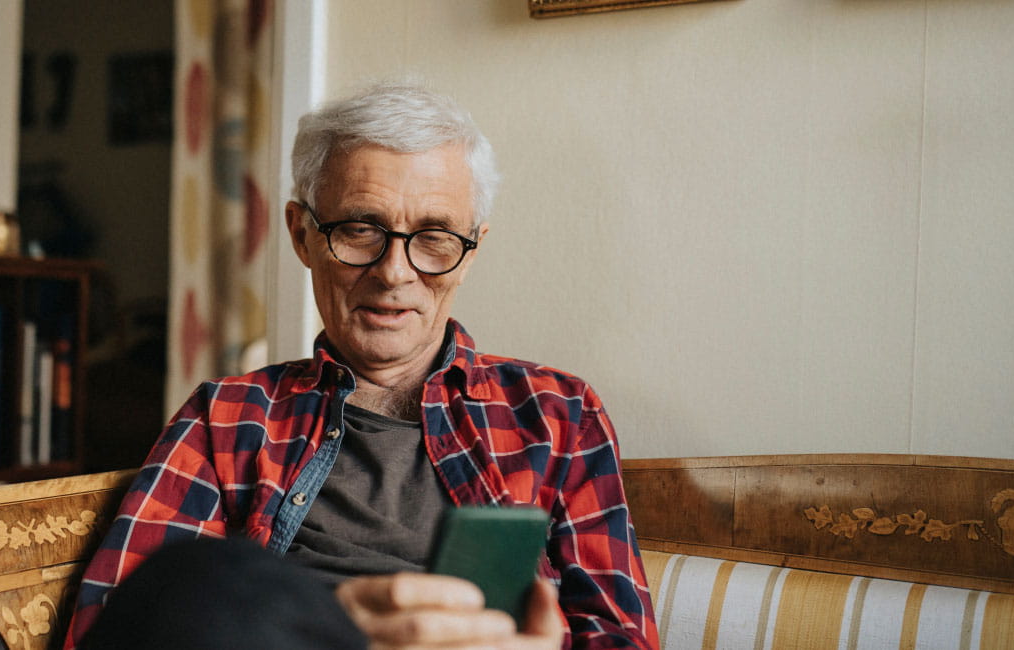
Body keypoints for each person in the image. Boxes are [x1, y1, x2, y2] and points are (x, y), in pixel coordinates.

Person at [64, 80, 659, 649]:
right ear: (302, 235)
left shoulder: (559, 414)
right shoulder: (226, 416)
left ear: (471, 250)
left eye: (433, 237)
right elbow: (119, 626)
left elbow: (621, 636)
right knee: (199, 584)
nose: (394, 272)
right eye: (359, 229)